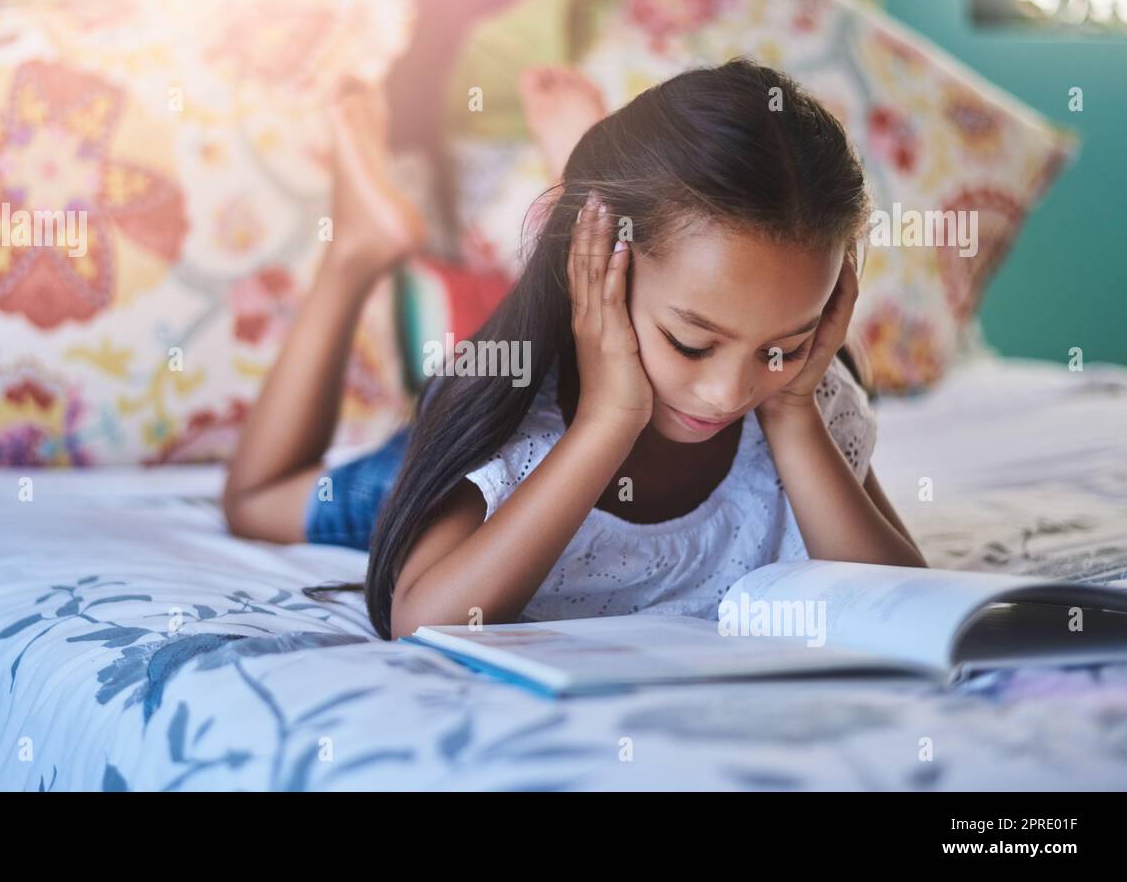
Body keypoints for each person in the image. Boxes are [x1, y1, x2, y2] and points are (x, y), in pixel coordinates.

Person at [223, 58, 926, 642]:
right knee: (256, 503)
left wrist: (797, 408)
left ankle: (589, 169)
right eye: (691, 342)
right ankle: (357, 248)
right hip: (499, 438)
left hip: (641, 270)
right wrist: (606, 423)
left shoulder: (799, 394)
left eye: (784, 345)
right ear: (610, 280)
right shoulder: (515, 422)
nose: (728, 392)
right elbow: (423, 620)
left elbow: (907, 604)